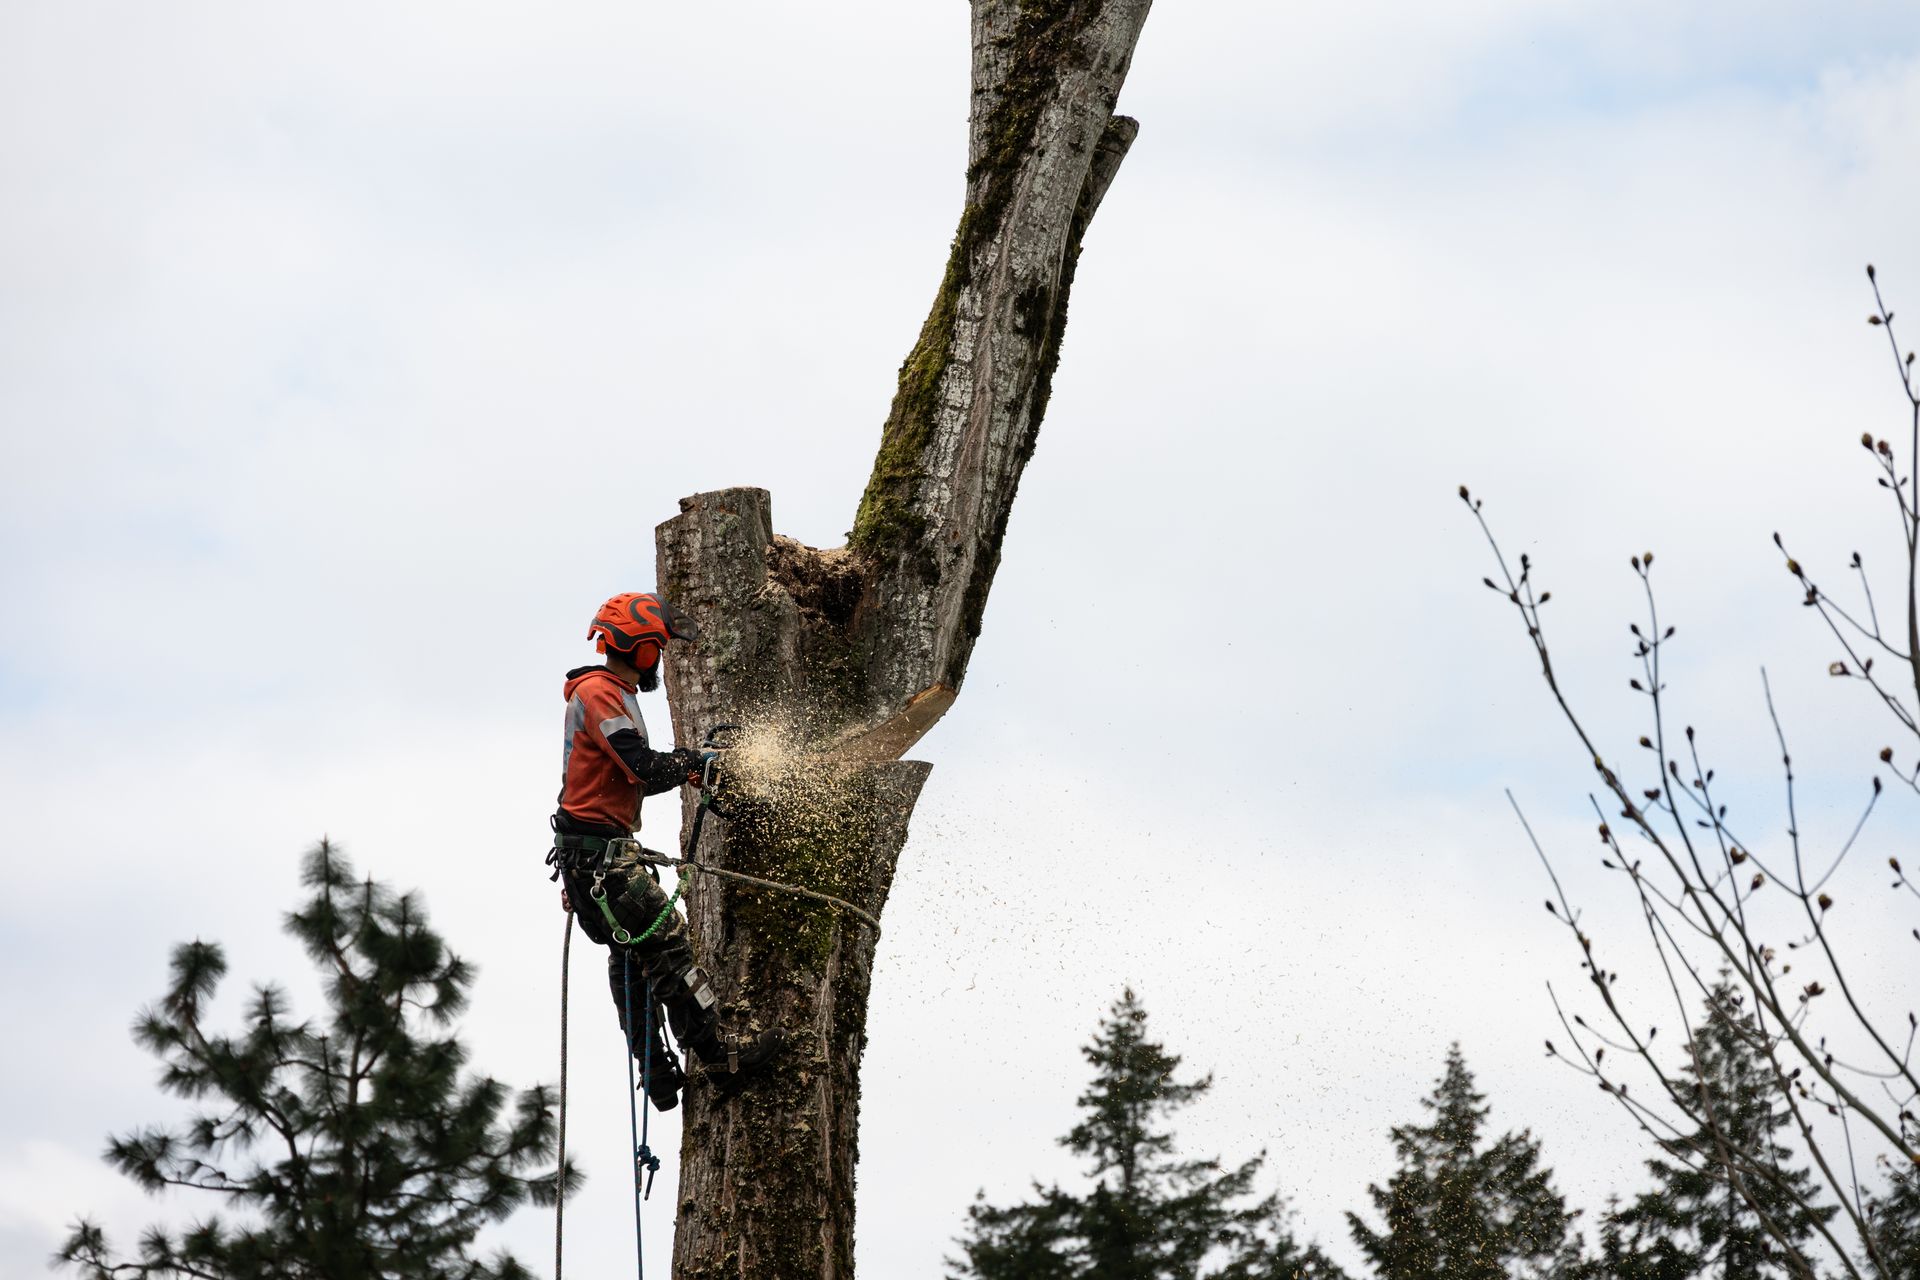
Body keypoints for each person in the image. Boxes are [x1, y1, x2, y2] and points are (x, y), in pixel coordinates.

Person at [547, 590, 780, 1110]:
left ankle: (655, 1068)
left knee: (629, 952)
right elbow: (642, 765)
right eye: (660, 647)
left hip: (590, 859)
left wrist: (693, 769)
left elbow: (630, 780)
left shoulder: (610, 693)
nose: (662, 658)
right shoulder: (601, 693)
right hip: (600, 860)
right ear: (642, 647)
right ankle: (719, 1056)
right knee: (670, 944)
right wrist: (696, 763)